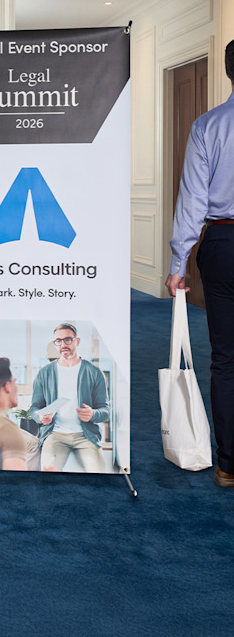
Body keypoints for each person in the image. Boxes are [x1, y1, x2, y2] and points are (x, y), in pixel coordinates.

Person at [166, 38, 234, 489]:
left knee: (226, 359)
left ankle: (229, 464)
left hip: (223, 244)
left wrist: (178, 260)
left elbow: (193, 200)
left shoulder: (209, 126)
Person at [29, 323, 109, 472]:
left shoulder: (94, 372)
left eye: (67, 340)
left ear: (77, 341)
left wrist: (93, 414)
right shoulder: (44, 373)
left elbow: (105, 410)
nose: (63, 345)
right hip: (55, 435)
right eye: (58, 341)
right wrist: (40, 418)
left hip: (86, 436)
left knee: (99, 473)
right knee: (48, 475)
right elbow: (34, 408)